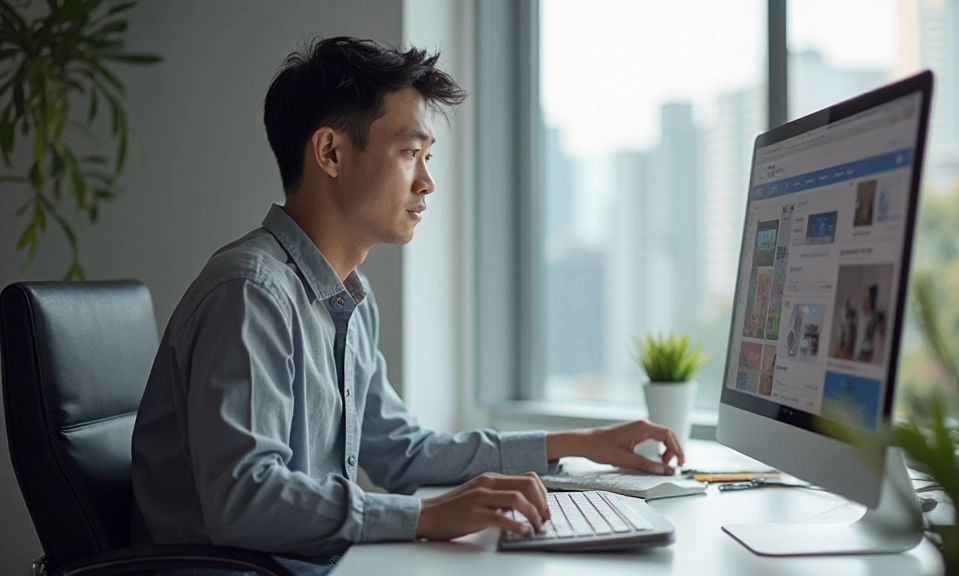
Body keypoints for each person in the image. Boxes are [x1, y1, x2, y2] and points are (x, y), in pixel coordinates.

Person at [129, 37, 683, 575]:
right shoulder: (252, 294)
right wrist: (425, 515)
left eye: (427, 156)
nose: (428, 181)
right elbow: (243, 500)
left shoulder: (346, 297)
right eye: (410, 153)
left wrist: (578, 443)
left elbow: (403, 452)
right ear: (330, 152)